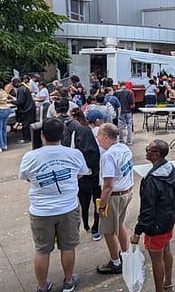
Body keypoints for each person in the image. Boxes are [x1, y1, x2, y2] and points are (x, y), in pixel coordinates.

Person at [19, 118, 89, 292]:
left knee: (42, 250)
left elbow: (26, 177)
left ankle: (42, 286)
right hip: (68, 208)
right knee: (68, 246)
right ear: (63, 135)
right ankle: (68, 281)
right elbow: (81, 174)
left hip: (41, 211)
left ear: (42, 135)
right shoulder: (74, 154)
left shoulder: (30, 156)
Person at [130, 140, 175, 292]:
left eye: (148, 149)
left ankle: (159, 289)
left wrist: (137, 232)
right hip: (169, 220)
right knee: (166, 250)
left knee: (156, 260)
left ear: (156, 155)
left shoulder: (152, 180)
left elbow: (147, 210)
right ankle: (168, 283)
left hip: (156, 225)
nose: (145, 151)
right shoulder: (170, 168)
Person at [96, 123, 134, 274]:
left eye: (98, 135)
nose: (97, 138)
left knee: (108, 231)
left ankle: (115, 262)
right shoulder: (124, 148)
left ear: (105, 137)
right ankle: (125, 254)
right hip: (127, 192)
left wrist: (102, 205)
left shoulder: (108, 156)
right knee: (120, 225)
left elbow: (108, 186)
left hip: (115, 197)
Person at [70, 107, 103, 242]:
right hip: (96, 174)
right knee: (97, 202)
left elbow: (72, 152)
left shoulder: (76, 132)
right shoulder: (101, 133)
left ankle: (85, 225)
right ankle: (96, 228)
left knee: (83, 203)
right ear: (97, 120)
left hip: (81, 176)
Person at [11, 77, 36, 144]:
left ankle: (26, 138)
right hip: (30, 108)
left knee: (26, 125)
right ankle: (30, 137)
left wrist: (11, 101)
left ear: (16, 83)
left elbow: (20, 101)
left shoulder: (21, 89)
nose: (13, 85)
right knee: (29, 124)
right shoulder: (25, 88)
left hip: (26, 110)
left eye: (13, 83)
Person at [115, 81, 134, 145]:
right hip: (128, 110)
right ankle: (129, 140)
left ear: (120, 85)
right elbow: (132, 102)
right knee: (129, 126)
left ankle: (121, 140)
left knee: (120, 126)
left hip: (120, 111)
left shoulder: (116, 93)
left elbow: (115, 102)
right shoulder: (129, 92)